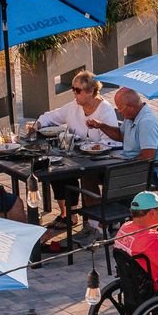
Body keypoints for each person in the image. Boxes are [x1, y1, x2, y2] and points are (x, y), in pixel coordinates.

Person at [34, 70, 118, 233]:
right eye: (73, 89)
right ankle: (69, 214)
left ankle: (96, 226)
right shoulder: (74, 106)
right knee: (55, 166)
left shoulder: (105, 111)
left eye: (78, 90)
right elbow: (50, 116)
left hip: (101, 162)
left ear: (91, 91)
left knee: (87, 175)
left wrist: (90, 147)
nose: (74, 93)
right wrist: (37, 125)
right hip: (78, 158)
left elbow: (111, 142)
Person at [87, 87, 158, 184]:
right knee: (89, 175)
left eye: (120, 108)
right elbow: (121, 135)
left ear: (130, 107)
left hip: (152, 172)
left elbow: (147, 158)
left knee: (99, 176)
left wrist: (122, 165)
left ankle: (114, 194)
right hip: (133, 164)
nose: (119, 111)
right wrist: (101, 125)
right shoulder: (131, 116)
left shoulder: (147, 122)